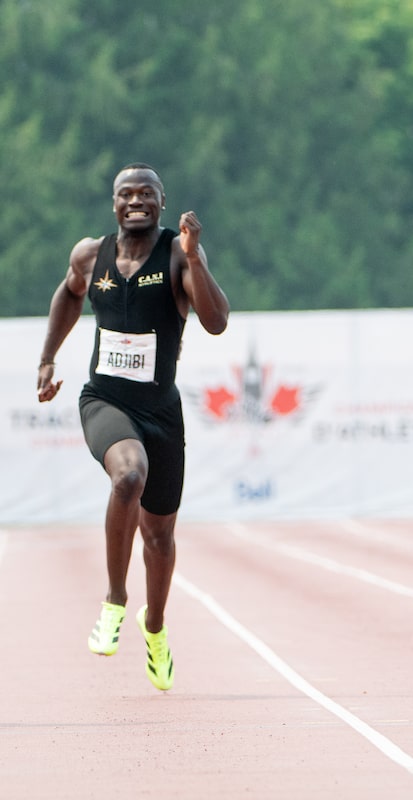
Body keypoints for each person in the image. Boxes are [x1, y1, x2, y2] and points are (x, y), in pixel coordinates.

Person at [36, 163, 230, 690]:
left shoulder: (175, 254)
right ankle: (115, 599)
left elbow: (215, 321)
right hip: (104, 400)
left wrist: (194, 258)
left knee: (160, 535)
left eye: (147, 193)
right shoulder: (88, 254)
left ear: (162, 203)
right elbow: (69, 294)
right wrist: (48, 359)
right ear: (115, 204)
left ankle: (156, 626)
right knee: (128, 477)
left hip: (161, 411)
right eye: (127, 194)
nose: (136, 201)